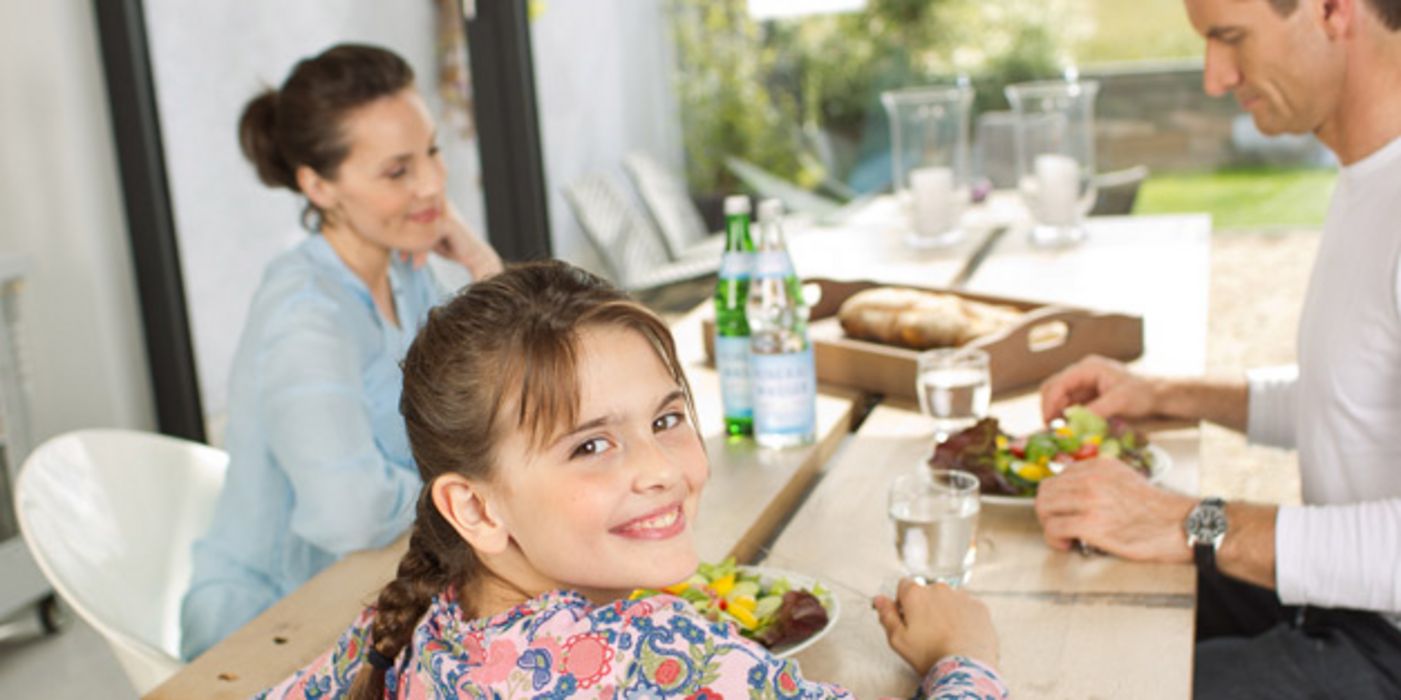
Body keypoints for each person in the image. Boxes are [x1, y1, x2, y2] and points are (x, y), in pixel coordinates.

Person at [257, 261, 1007, 699]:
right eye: (590, 447)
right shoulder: (654, 654)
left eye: (666, 419)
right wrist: (962, 657)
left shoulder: (414, 619)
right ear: (475, 508)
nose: (658, 470)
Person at [1034, 0, 1401, 696]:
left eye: (1229, 38)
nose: (1214, 77)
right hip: (1341, 601)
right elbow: (1359, 401)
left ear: (1332, 11)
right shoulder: (1371, 174)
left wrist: (1187, 521)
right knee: (1068, 597)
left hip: (1384, 646)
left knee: (1087, 684)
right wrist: (1166, 396)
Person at [179, 43, 503, 660]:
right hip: (271, 628)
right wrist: (469, 479)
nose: (433, 184)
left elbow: (503, 391)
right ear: (318, 184)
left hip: (385, 592)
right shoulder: (304, 315)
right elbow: (347, 516)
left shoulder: (407, 272)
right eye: (397, 171)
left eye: (431, 151)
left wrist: (478, 261)